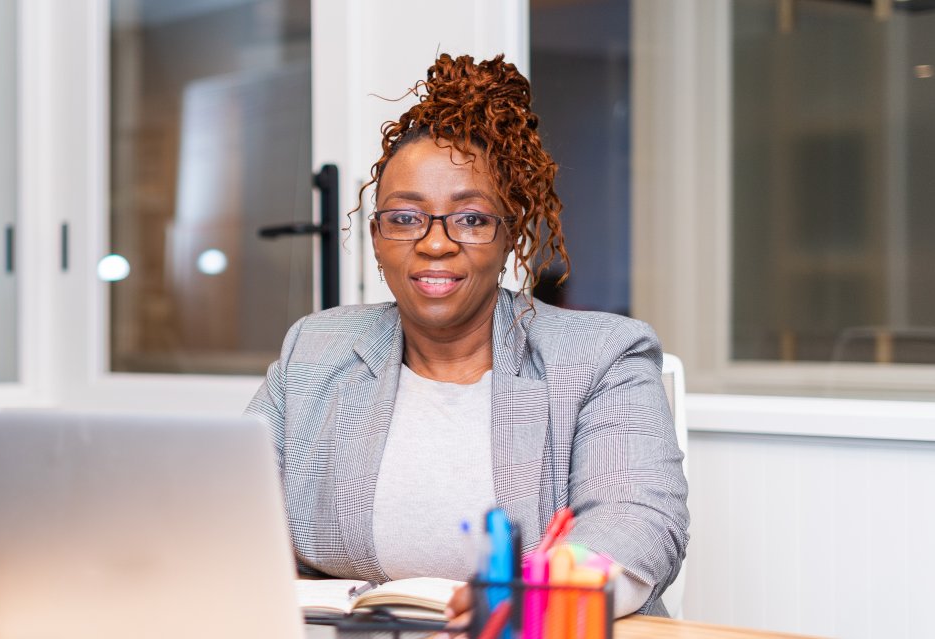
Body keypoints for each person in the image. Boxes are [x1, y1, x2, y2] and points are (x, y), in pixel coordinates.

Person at [246, 53, 689, 620]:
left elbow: (637, 523)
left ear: (510, 237)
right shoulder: (316, 348)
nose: (434, 243)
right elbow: (234, 509)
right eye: (405, 218)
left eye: (471, 218)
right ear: (376, 237)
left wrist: (528, 602)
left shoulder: (601, 355)